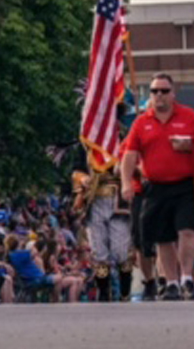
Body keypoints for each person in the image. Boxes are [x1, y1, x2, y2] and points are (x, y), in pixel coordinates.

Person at [120, 73, 194, 301]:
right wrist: (126, 183)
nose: (159, 95)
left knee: (188, 231)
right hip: (155, 187)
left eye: (164, 90)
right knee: (163, 238)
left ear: (173, 93)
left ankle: (187, 279)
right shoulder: (141, 122)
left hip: (185, 186)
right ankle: (171, 283)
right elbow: (129, 155)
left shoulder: (191, 117)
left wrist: (191, 145)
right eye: (154, 91)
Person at [71, 127, 132, 302]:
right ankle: (104, 293)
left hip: (118, 200)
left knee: (121, 251)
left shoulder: (124, 138)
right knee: (99, 252)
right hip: (94, 199)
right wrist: (83, 179)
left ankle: (125, 293)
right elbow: (76, 170)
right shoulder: (86, 142)